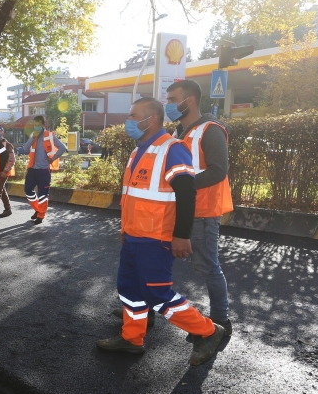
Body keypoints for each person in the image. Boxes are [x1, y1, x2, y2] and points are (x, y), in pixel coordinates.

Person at [96, 98, 225, 366]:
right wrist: (125, 230)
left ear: (151, 119)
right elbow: (133, 197)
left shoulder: (172, 149)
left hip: (156, 238)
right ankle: (132, 339)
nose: (128, 120)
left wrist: (181, 235)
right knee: (129, 289)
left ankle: (209, 331)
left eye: (133, 115)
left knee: (157, 293)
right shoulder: (138, 151)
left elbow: (187, 194)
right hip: (134, 236)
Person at [166, 79, 234, 337]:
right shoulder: (177, 133)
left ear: (190, 100)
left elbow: (218, 170)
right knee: (158, 260)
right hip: (177, 209)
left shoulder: (211, 130)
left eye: (173, 100)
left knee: (208, 267)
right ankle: (145, 310)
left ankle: (220, 322)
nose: (169, 105)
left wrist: (185, 184)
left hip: (203, 212)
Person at [20, 116, 66, 224]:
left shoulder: (50, 135)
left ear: (43, 125)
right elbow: (26, 149)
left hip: (44, 170)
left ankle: (41, 215)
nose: (37, 127)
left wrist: (53, 159)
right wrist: (33, 137)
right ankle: (37, 209)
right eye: (35, 125)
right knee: (28, 190)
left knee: (43, 194)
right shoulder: (33, 135)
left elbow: (63, 148)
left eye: (39, 125)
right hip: (32, 169)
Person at [0, 125, 15, 218]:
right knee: (1, 189)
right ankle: (7, 209)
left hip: (3, 172)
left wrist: (5, 171)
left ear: (2, 133)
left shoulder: (7, 145)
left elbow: (12, 160)